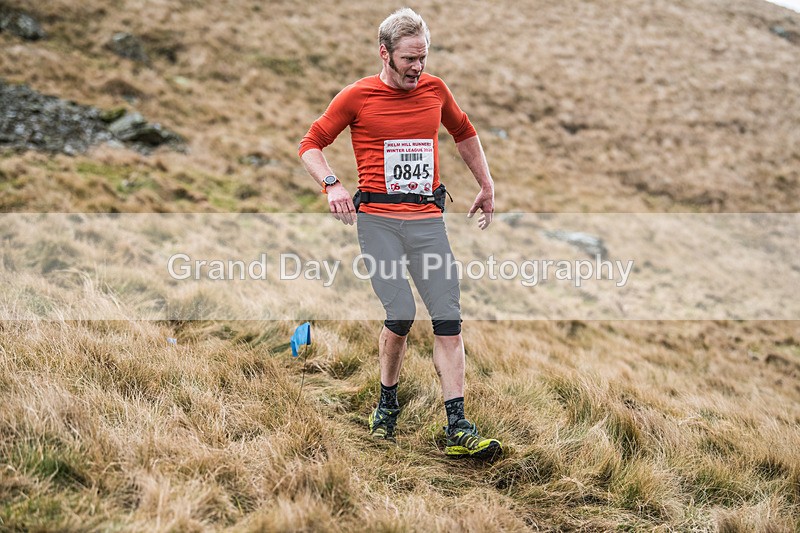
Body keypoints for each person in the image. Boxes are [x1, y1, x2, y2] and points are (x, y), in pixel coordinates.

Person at [298, 7, 500, 459]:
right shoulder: (356, 97)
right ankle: (387, 404)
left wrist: (486, 184)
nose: (418, 67)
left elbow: (464, 131)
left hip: (428, 221)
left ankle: (458, 428)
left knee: (448, 319)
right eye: (409, 58)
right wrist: (331, 184)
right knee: (402, 313)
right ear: (384, 53)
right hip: (380, 224)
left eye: (423, 57)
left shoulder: (435, 90)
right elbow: (310, 145)